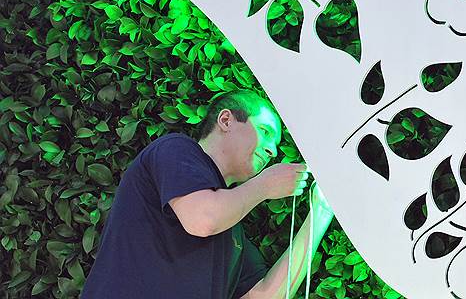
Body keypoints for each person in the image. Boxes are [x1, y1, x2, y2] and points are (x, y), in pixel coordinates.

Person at [81, 89, 333, 298]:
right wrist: (264, 186)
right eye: (265, 132)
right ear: (226, 120)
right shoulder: (175, 149)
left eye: (276, 146)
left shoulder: (232, 231)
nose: (272, 151)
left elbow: (264, 295)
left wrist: (321, 213)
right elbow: (203, 218)